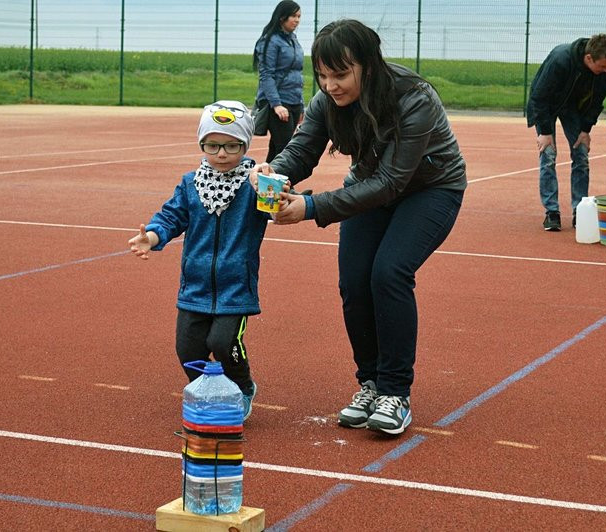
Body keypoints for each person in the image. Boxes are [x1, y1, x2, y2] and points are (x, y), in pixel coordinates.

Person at [252, 19, 466, 436]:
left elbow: (392, 182)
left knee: (389, 273)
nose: (330, 85)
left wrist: (312, 207)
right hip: (370, 185)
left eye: (340, 74)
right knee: (353, 280)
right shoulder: (325, 101)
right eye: (322, 75)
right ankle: (369, 383)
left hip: (430, 189)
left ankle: (395, 393)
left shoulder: (413, 97)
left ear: (367, 64)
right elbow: (301, 150)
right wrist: (273, 171)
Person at [128, 100, 268, 420]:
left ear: (245, 145)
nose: (221, 153)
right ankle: (208, 390)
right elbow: (170, 217)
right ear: (202, 144)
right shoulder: (191, 184)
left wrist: (275, 188)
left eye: (232, 145)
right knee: (188, 350)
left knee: (222, 342)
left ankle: (242, 387)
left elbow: (277, 209)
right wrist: (151, 237)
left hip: (236, 288)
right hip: (195, 287)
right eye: (213, 145)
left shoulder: (254, 185)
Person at [526, 34, 606, 231]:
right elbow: (538, 97)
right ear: (588, 58)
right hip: (546, 106)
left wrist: (586, 129)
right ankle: (552, 212)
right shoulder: (560, 59)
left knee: (581, 152)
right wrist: (544, 131)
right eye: (602, 66)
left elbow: (597, 100)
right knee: (548, 154)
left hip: (573, 108)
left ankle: (580, 210)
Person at [253, 1, 304, 163]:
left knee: (277, 148)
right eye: (293, 16)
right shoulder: (270, 41)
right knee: (285, 148)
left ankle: (267, 186)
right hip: (279, 102)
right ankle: (286, 186)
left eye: (299, 17)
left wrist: (300, 104)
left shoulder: (293, 39)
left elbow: (297, 72)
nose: (297, 20)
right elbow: (266, 75)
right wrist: (276, 104)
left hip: (294, 100)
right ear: (282, 17)